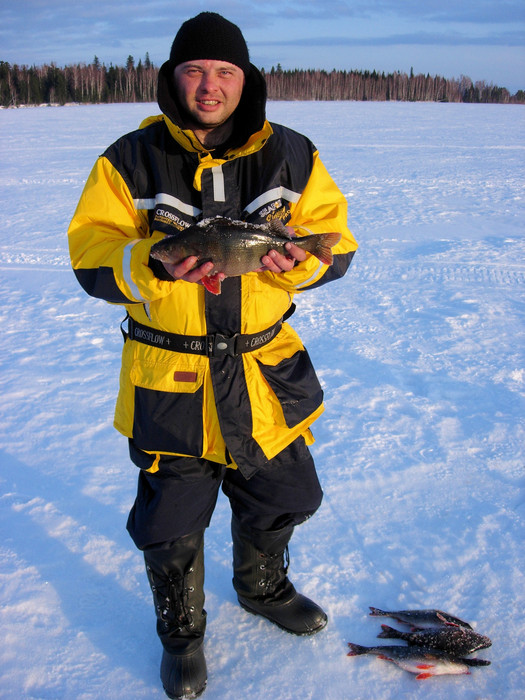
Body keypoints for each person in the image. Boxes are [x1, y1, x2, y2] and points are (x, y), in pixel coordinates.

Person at [68, 11, 358, 700]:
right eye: (195, 70)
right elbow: (90, 258)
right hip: (171, 377)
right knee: (170, 521)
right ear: (172, 78)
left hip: (263, 371)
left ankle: (260, 585)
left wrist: (297, 262)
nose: (209, 86)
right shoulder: (126, 160)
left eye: (223, 72)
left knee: (288, 493)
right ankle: (182, 633)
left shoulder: (291, 152)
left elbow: (336, 244)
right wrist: (155, 261)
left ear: (244, 80)